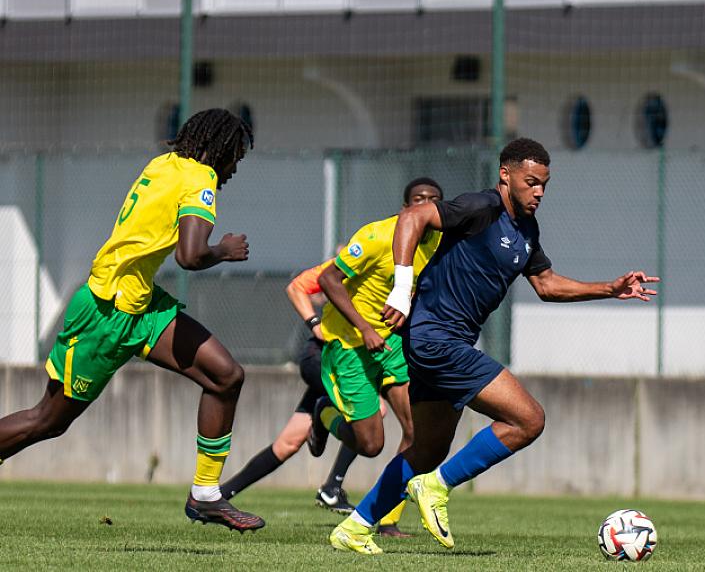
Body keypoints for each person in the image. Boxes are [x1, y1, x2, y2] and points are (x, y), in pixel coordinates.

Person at [328, 137, 659, 554]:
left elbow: (546, 284)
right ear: (506, 175)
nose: (538, 192)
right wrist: (402, 284)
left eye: (544, 185)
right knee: (529, 420)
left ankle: (355, 527)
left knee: (427, 448)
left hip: (440, 342)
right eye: (531, 181)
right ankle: (437, 487)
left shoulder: (526, 229)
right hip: (437, 338)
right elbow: (413, 217)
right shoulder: (480, 207)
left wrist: (609, 288)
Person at [0, 109, 265, 532]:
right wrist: (224, 250)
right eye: (236, 157)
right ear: (222, 149)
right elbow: (190, 255)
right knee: (47, 420)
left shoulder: (163, 164)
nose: (234, 169)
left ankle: (206, 495)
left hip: (140, 306)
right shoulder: (201, 179)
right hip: (106, 313)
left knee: (225, 375)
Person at [220, 248, 407, 536]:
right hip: (325, 358)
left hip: (348, 363)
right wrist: (315, 324)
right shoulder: (348, 265)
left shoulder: (395, 273)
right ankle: (333, 485)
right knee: (376, 411)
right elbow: (296, 287)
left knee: (288, 442)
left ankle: (221, 495)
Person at [307, 177, 444, 541]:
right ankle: (323, 413)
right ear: (405, 207)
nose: (425, 205)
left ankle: (387, 520)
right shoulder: (377, 236)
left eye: (433, 200)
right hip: (350, 343)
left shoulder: (439, 242)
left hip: (392, 343)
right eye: (418, 199)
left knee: (417, 431)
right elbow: (328, 279)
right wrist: (365, 328)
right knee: (371, 445)